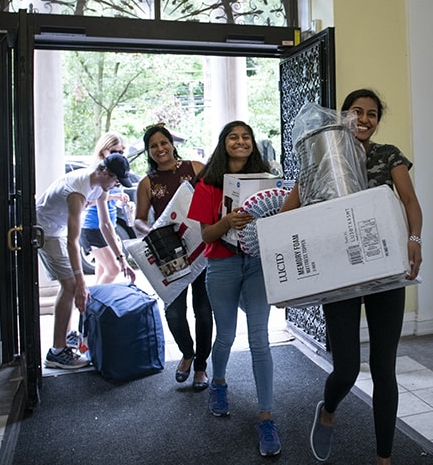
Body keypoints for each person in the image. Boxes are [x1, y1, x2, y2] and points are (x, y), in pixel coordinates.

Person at [280, 89, 423, 465]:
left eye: (372, 114)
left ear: (378, 120)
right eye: (356, 112)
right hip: (339, 274)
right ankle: (328, 408)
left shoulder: (388, 155)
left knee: (383, 368)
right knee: (345, 368)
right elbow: (288, 213)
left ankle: (384, 457)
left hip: (385, 271)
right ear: (343, 116)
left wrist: (414, 239)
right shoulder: (323, 156)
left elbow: (409, 201)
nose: (364, 119)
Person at [186, 121, 282, 457]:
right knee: (225, 335)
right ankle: (219, 383)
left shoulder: (267, 180)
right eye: (233, 137)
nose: (240, 142)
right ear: (223, 143)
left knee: (259, 338)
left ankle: (267, 418)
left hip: (256, 264)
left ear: (252, 144)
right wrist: (228, 222)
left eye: (246, 137)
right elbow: (206, 236)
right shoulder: (207, 185)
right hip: (222, 265)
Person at [35, 153, 135, 369]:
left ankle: (67, 337)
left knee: (71, 286)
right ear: (105, 172)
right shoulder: (78, 191)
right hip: (46, 229)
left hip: (58, 229)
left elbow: (106, 225)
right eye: (116, 180)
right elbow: (73, 241)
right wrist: (81, 281)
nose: (117, 185)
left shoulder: (100, 185)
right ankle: (56, 352)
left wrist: (122, 259)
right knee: (71, 285)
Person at [134, 124, 212, 391]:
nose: (160, 149)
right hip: (169, 254)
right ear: (148, 151)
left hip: (201, 247)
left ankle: (201, 366)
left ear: (172, 143)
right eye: (153, 145)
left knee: (203, 310)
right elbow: (139, 221)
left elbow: (214, 198)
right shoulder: (147, 183)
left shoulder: (196, 168)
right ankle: (187, 353)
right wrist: (155, 232)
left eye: (163, 143)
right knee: (175, 312)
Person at [79, 132, 133, 286]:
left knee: (102, 271)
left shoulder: (116, 171)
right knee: (113, 269)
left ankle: (95, 305)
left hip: (110, 223)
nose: (118, 155)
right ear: (103, 150)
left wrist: (124, 203)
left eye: (121, 152)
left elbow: (111, 198)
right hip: (93, 226)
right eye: (114, 151)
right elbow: (90, 201)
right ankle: (93, 305)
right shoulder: (99, 172)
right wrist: (114, 197)